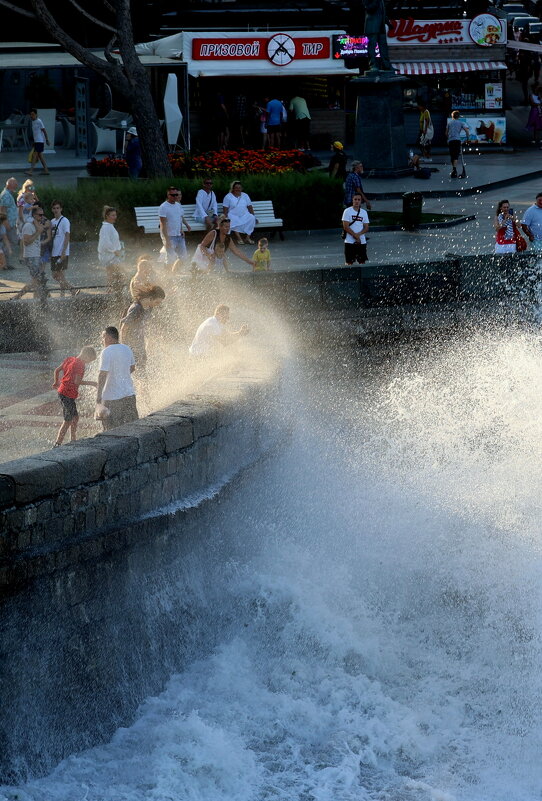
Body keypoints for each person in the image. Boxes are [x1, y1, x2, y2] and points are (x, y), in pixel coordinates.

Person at [52, 346, 97, 446]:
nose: (88, 363)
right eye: (89, 360)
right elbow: (77, 382)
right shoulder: (80, 364)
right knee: (68, 420)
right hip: (67, 394)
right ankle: (57, 443)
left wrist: (56, 382)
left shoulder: (70, 359)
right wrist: (93, 383)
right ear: (87, 356)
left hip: (64, 392)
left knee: (75, 417)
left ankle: (73, 439)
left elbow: (57, 370)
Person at [95, 326, 138, 430]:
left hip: (112, 399)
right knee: (132, 429)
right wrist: (121, 374)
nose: (102, 340)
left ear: (109, 337)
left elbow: (102, 375)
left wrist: (98, 397)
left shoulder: (106, 352)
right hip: (129, 396)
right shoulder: (127, 348)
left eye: (103, 337)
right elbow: (132, 367)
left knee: (110, 431)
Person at [119, 284, 165, 368]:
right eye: (157, 302)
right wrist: (123, 347)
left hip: (140, 344)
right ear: (150, 298)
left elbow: (146, 325)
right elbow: (124, 328)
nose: (157, 305)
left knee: (142, 367)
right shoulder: (136, 308)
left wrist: (150, 340)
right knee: (134, 369)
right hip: (130, 345)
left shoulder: (149, 308)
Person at [11, 206, 48, 300]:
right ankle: (18, 296)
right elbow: (26, 242)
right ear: (34, 215)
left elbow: (46, 226)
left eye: (43, 215)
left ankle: (37, 298)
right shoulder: (28, 226)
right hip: (31, 256)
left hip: (35, 255)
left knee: (37, 279)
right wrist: (37, 233)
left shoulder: (36, 224)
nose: (42, 217)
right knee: (37, 280)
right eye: (40, 215)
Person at [50, 200, 78, 296]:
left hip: (61, 252)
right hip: (53, 252)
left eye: (58, 208)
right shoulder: (52, 221)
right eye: (54, 208)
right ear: (52, 210)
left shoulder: (65, 220)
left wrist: (64, 251)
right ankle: (70, 290)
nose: (56, 210)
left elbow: (67, 236)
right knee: (57, 275)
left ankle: (69, 291)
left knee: (59, 274)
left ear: (61, 209)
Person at [159, 186, 191, 267]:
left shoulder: (178, 205)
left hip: (179, 235)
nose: (175, 197)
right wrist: (167, 240)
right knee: (171, 258)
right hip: (170, 236)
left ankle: (177, 272)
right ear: (168, 195)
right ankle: (168, 275)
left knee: (183, 257)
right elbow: (163, 224)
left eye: (176, 195)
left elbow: (179, 219)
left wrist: (182, 229)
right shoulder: (163, 207)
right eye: (173, 195)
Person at [98, 205, 124, 291]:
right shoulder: (106, 227)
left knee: (113, 274)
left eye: (115, 215)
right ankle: (111, 290)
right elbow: (105, 242)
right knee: (113, 273)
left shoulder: (109, 226)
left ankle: (112, 290)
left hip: (113, 254)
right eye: (112, 215)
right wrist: (114, 251)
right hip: (109, 255)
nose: (115, 217)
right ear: (107, 216)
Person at [342, 191, 369, 265]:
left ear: (361, 201)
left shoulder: (364, 212)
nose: (357, 201)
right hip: (349, 241)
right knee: (349, 262)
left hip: (361, 241)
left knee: (362, 261)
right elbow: (346, 226)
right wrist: (355, 235)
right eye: (355, 199)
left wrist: (358, 235)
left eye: (359, 200)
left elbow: (366, 227)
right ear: (352, 200)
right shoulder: (347, 211)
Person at [0, 177, 19, 268]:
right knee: (9, 241)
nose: (17, 186)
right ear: (10, 185)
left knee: (10, 242)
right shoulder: (6, 195)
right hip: (8, 224)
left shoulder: (7, 194)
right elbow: (2, 210)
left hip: (10, 223)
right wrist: (6, 223)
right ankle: (5, 263)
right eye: (15, 184)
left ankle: (6, 263)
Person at [26, 109, 50, 176]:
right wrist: (34, 142)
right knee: (41, 157)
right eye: (31, 114)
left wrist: (47, 140)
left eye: (33, 114)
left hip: (40, 141)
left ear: (36, 114)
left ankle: (31, 171)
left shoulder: (39, 121)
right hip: (37, 141)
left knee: (34, 155)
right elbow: (35, 133)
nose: (31, 116)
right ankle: (46, 170)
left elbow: (44, 130)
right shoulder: (33, 122)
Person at [446, 111, 470, 178]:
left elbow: (446, 133)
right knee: (456, 155)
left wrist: (448, 138)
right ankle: (454, 170)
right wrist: (467, 139)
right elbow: (467, 131)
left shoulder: (449, 123)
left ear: (452, 116)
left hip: (451, 141)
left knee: (452, 155)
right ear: (458, 116)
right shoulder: (461, 123)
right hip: (457, 140)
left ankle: (454, 170)